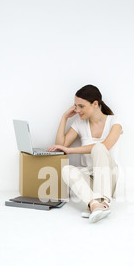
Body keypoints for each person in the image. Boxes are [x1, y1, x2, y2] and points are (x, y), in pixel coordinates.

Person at [47, 85, 123, 223]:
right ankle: (95, 204)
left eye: (81, 106)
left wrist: (71, 150)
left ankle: (104, 201)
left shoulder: (114, 121)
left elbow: (104, 146)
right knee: (66, 169)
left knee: (99, 148)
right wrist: (64, 117)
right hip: (90, 179)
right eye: (75, 106)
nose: (77, 110)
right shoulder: (80, 123)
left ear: (95, 104)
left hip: (108, 178)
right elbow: (61, 146)